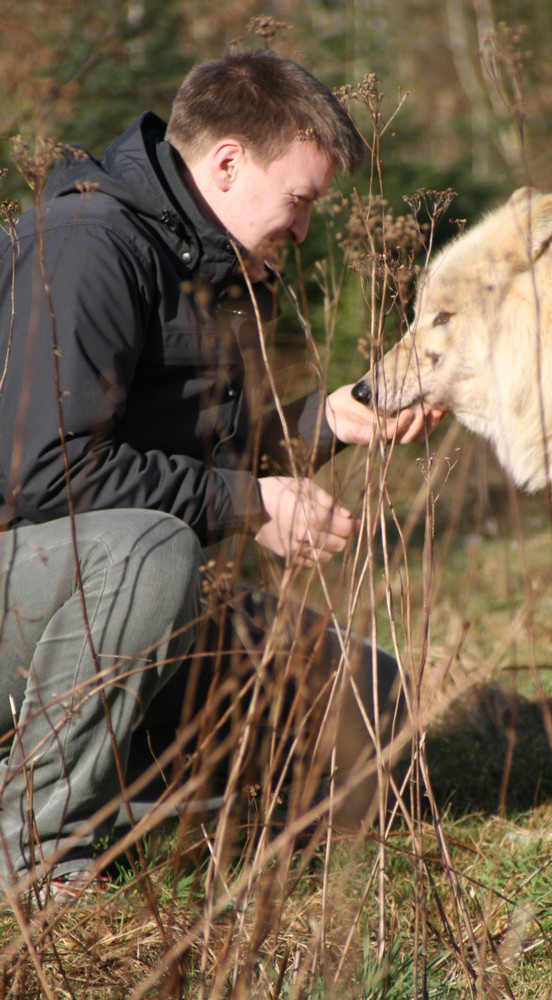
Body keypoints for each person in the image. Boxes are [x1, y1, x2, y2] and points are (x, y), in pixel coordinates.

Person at [0, 49, 442, 906]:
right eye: (301, 200)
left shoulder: (206, 265)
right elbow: (40, 474)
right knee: (157, 551)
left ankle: (137, 796)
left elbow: (197, 459)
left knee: (374, 698)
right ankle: (33, 853)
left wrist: (336, 421)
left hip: (103, 592)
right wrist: (246, 504)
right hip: (35, 586)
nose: (306, 228)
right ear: (230, 162)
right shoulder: (89, 247)